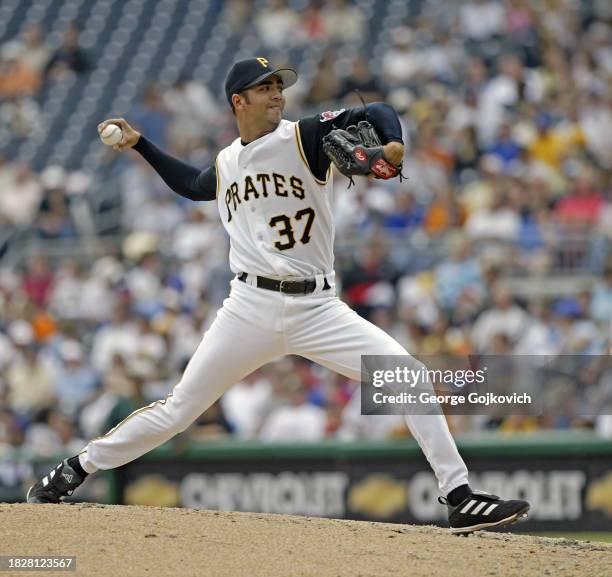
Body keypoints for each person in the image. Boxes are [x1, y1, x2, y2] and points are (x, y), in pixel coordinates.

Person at [27, 57, 529, 535]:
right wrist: (141, 144)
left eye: (279, 87)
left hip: (318, 308)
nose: (276, 95)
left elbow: (374, 112)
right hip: (248, 307)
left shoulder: (306, 135)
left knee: (409, 377)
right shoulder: (227, 162)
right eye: (265, 89)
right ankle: (75, 468)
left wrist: (393, 145)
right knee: (179, 409)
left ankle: (458, 496)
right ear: (237, 101)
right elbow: (192, 185)